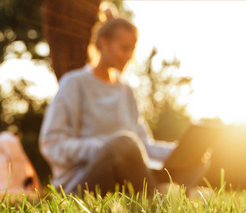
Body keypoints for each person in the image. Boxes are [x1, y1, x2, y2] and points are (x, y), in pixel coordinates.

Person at [39, 17, 209, 196]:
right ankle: (158, 200)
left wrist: (179, 151)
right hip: (81, 183)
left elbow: (143, 145)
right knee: (124, 144)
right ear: (104, 43)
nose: (129, 56)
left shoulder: (126, 91)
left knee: (197, 157)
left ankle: (166, 196)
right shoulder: (74, 83)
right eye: (124, 48)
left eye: (133, 49)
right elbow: (52, 144)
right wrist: (106, 149)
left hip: (126, 179)